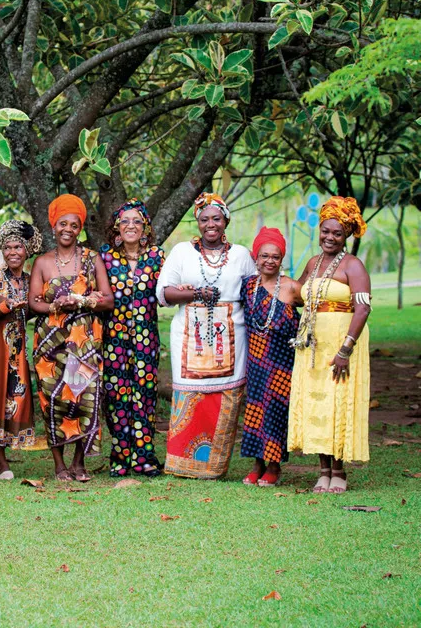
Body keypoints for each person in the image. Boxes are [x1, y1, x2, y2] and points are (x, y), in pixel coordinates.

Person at [155, 192, 256, 479]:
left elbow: (254, 291)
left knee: (225, 396)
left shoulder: (241, 255)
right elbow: (163, 293)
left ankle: (214, 467)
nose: (210, 224)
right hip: (189, 339)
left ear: (226, 220)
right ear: (197, 222)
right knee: (191, 396)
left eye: (216, 218)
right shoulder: (181, 252)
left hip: (231, 338)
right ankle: (182, 464)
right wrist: (196, 293)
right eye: (204, 219)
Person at [288, 196, 371, 494]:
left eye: (337, 233)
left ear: (346, 234)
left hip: (341, 343)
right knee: (316, 401)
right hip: (312, 344)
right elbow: (296, 295)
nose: (330, 237)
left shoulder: (353, 265)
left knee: (337, 402)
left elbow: (362, 308)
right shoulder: (312, 263)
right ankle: (323, 470)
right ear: (319, 229)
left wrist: (345, 350)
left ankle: (339, 472)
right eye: (325, 230)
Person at [29, 194, 113, 482]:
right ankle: (58, 464)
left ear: (80, 228)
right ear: (54, 226)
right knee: (53, 400)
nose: (68, 229)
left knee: (82, 398)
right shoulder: (41, 262)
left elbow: (108, 301)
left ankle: (79, 463)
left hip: (85, 341)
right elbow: (33, 304)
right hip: (50, 343)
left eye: (74, 225)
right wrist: (55, 306)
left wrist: (81, 302)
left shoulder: (92, 259)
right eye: (62, 223)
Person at [100, 199, 164, 477]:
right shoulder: (104, 257)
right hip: (114, 338)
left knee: (145, 396)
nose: (131, 226)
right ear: (116, 227)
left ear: (146, 227)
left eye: (137, 221)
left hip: (146, 338)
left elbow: (167, 290)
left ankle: (144, 457)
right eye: (125, 221)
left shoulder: (158, 257)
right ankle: (120, 457)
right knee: (117, 396)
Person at [0, 220, 42, 480]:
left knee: (16, 400)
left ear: (27, 250)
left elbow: (28, 313)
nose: (13, 252)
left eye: (18, 246)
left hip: (17, 349)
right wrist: (5, 308)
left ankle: (5, 451)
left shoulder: (30, 280)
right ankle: (1, 461)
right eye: (8, 247)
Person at [240, 227, 301, 486]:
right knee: (254, 412)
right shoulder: (248, 286)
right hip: (255, 362)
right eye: (264, 255)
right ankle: (257, 463)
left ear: (281, 259)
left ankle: (274, 466)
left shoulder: (293, 288)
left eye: (275, 256)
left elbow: (315, 312)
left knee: (276, 412)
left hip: (281, 364)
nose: (269, 261)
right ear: (256, 257)